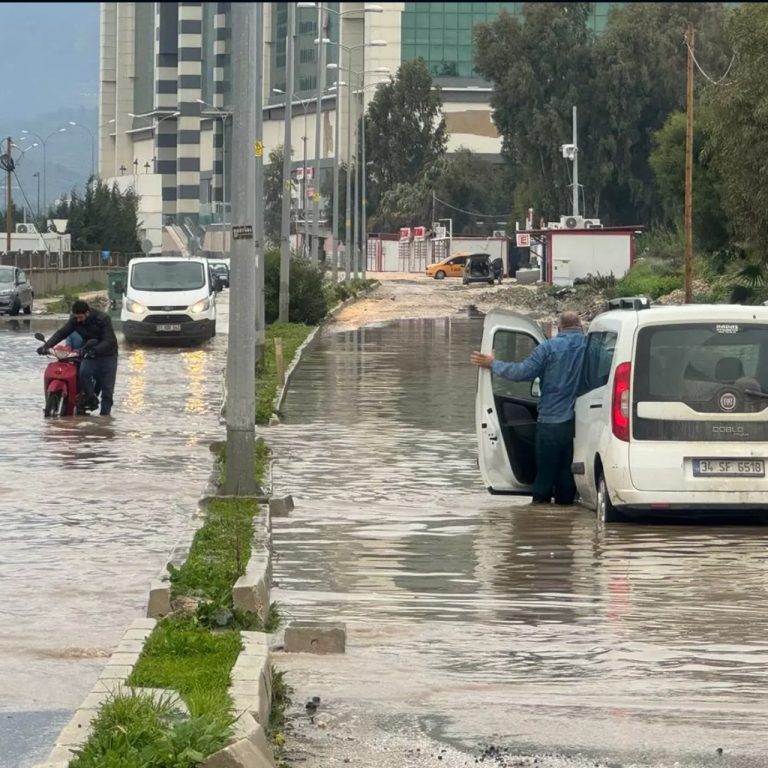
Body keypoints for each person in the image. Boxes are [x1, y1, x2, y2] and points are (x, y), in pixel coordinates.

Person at [470, 311, 586, 505]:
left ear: (559, 327)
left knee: (544, 475)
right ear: (580, 325)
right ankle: (566, 521)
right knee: (568, 475)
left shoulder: (549, 348)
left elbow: (521, 372)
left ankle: (538, 518)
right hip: (581, 424)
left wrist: (492, 363)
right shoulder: (590, 346)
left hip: (550, 422)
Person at [38, 300, 119, 416]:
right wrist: (46, 346)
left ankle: (104, 421)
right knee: (83, 372)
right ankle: (90, 398)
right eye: (76, 317)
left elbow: (109, 340)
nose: (78, 320)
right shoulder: (75, 320)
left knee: (107, 391)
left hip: (108, 355)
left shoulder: (103, 319)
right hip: (88, 351)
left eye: (80, 317)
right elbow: (62, 333)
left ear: (87, 313)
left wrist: (94, 350)